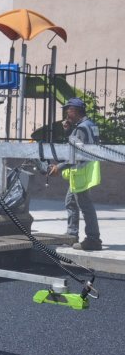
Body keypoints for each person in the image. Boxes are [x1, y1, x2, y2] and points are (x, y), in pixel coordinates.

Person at [49, 97, 103, 251]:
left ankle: (93, 239)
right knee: (71, 202)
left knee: (85, 205)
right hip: (86, 169)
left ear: (75, 110)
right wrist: (68, 130)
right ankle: (71, 235)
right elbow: (80, 145)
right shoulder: (90, 125)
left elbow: (75, 153)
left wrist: (59, 167)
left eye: (68, 110)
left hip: (80, 171)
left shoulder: (81, 128)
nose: (67, 113)